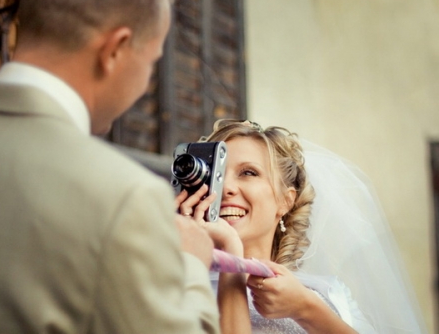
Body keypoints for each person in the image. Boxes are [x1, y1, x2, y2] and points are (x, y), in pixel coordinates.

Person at [0, 0, 221, 333]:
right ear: (115, 50)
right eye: (151, 62)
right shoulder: (124, 197)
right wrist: (191, 265)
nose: (146, 82)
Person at [176, 119, 427, 334]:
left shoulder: (325, 292)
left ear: (286, 201)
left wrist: (306, 308)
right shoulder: (176, 287)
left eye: (248, 173)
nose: (226, 188)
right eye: (216, 175)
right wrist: (231, 255)